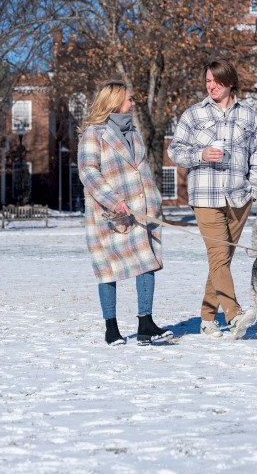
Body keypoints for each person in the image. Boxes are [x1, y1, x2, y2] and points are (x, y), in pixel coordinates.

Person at [168, 59, 257, 339]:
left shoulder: (249, 116)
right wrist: (200, 155)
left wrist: (253, 189)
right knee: (219, 256)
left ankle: (207, 318)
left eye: (216, 81)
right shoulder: (193, 115)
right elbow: (175, 151)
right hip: (205, 196)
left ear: (230, 82)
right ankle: (234, 315)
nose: (211, 86)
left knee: (222, 259)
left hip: (239, 197)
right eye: (208, 81)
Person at [78, 79, 172, 346]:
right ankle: (111, 327)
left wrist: (152, 199)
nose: (133, 103)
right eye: (129, 99)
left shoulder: (134, 132)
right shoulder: (93, 135)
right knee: (108, 268)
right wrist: (113, 201)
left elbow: (139, 169)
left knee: (148, 261)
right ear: (115, 101)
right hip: (111, 214)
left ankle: (146, 324)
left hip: (141, 210)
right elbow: (89, 173)